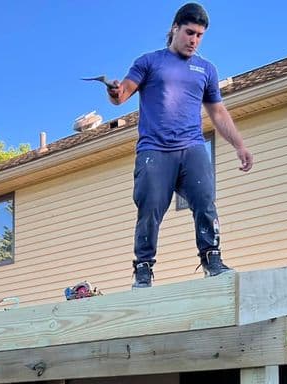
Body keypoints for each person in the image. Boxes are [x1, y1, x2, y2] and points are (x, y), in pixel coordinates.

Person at [107, 3, 254, 289]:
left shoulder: (206, 69)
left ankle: (212, 258)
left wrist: (240, 145)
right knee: (149, 207)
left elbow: (218, 112)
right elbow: (121, 94)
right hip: (155, 150)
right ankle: (144, 268)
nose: (194, 40)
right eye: (189, 32)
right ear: (175, 28)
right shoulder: (149, 62)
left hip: (192, 147)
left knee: (205, 199)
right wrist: (114, 92)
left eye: (200, 35)